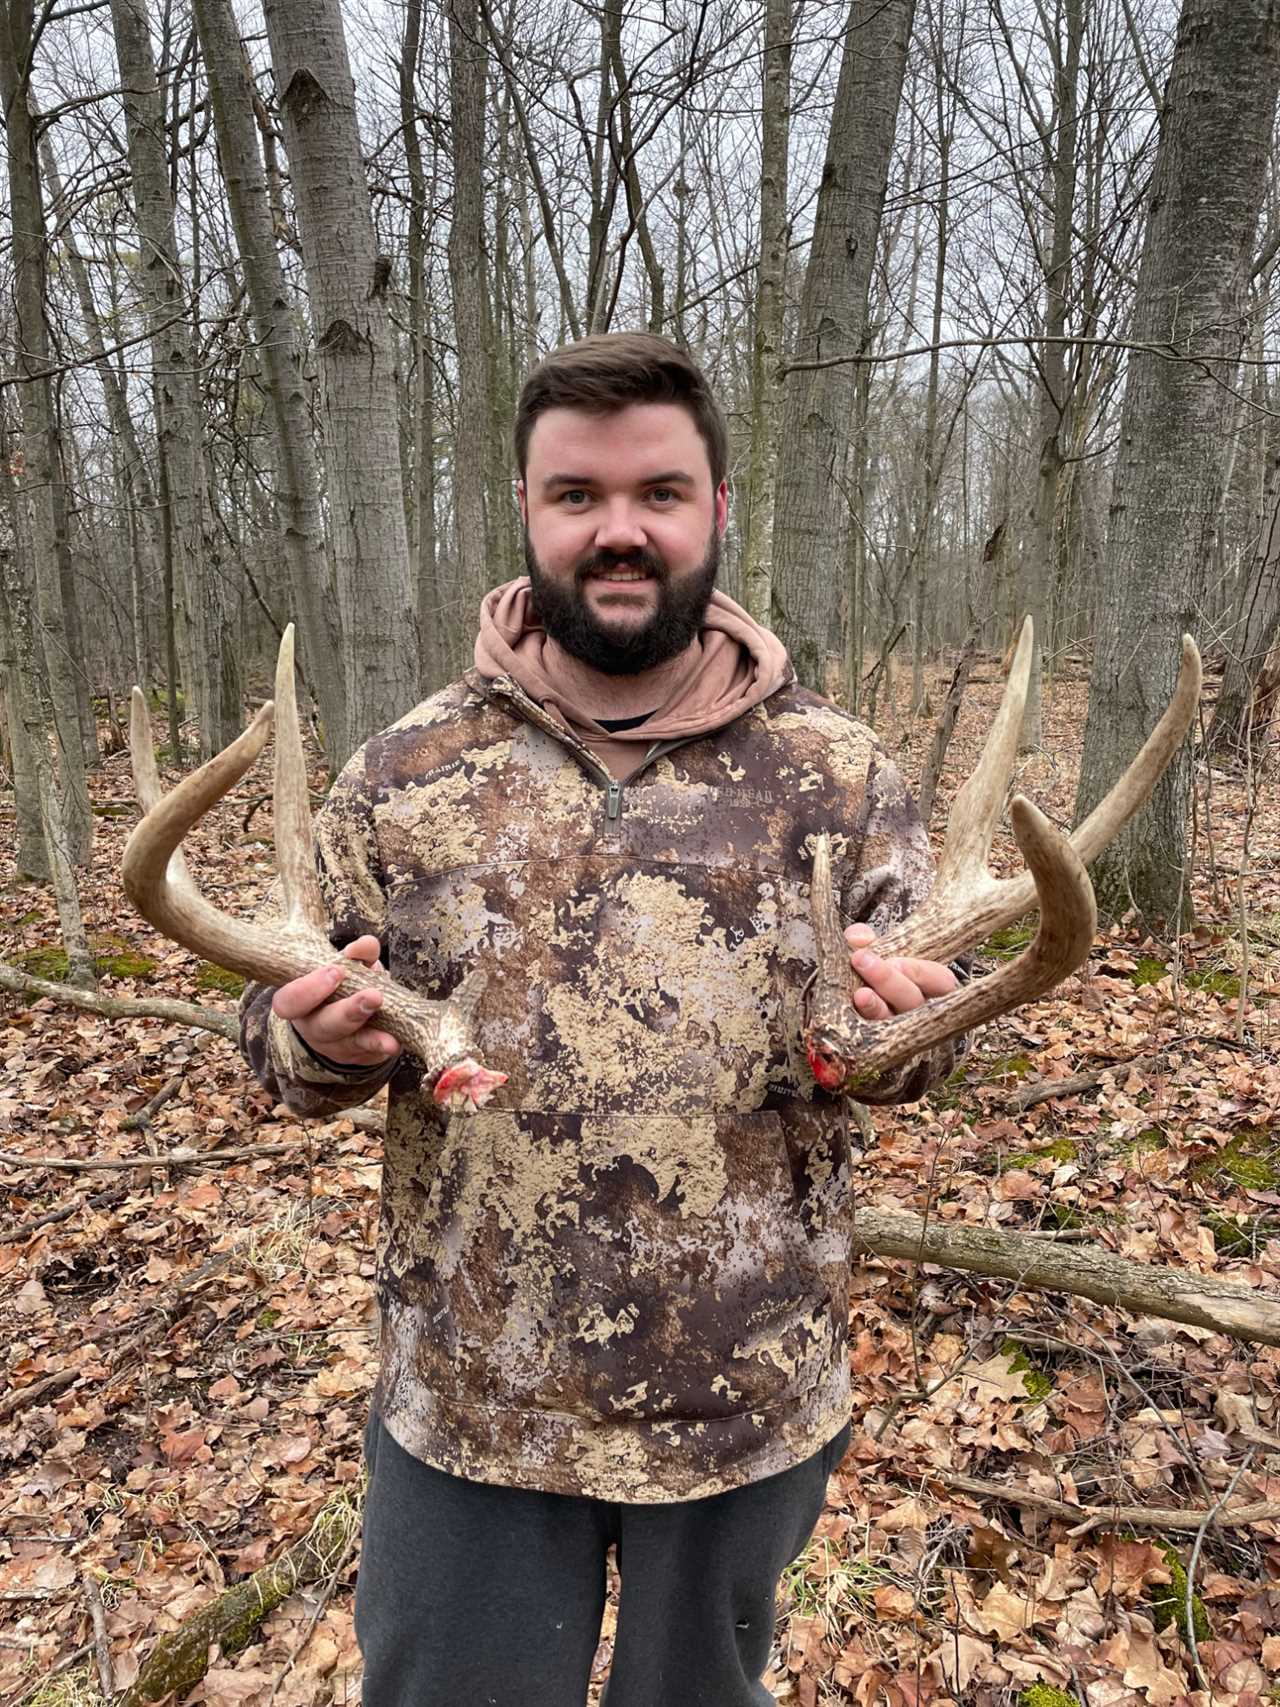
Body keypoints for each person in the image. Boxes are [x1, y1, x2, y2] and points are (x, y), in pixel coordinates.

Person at [239, 332, 960, 1706]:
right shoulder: (401, 777)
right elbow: (276, 1031)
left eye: (658, 494)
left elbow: (928, 1025)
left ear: (717, 509)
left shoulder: (839, 775)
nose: (618, 531)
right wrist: (309, 1041)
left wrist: (909, 1033)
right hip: (471, 1412)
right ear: (527, 506)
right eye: (577, 496)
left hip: (743, 1403)